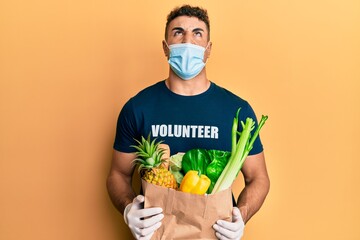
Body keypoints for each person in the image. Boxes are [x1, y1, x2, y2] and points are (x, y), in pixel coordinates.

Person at [107, 4, 270, 240]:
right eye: (178, 32)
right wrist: (128, 209)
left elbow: (259, 178)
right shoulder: (138, 108)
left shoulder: (237, 110)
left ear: (208, 49)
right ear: (165, 48)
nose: (188, 41)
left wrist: (241, 216)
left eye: (197, 33)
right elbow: (117, 174)